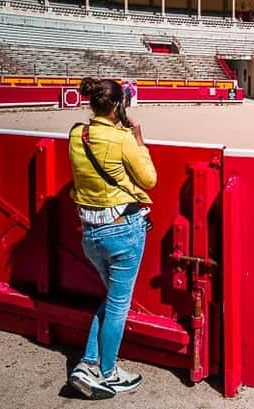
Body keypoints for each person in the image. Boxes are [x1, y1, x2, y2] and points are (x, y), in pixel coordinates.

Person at [68, 77, 157, 400]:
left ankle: (87, 364)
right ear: (120, 106)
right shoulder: (122, 140)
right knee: (118, 305)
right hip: (122, 229)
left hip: (89, 232)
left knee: (111, 300)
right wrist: (138, 138)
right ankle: (108, 372)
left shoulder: (77, 134)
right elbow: (150, 179)